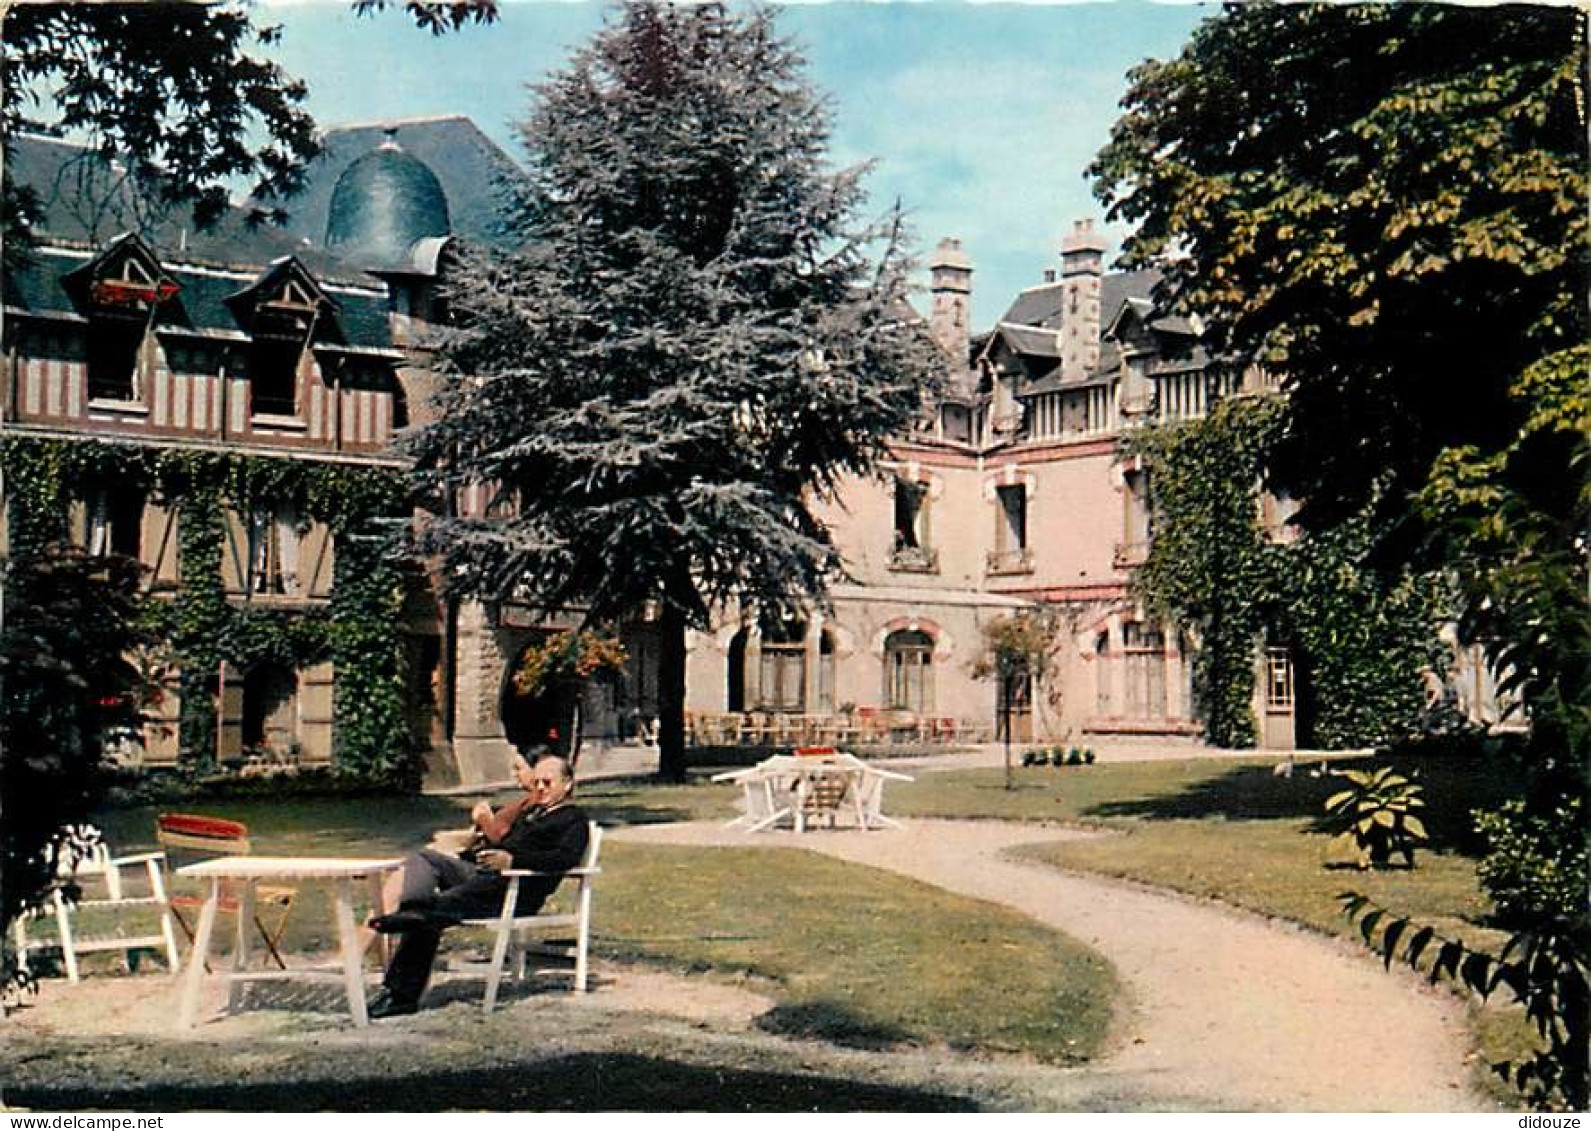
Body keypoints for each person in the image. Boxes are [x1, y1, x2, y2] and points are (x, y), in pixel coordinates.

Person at [365, 749, 590, 1018]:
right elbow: (503, 842)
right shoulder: (533, 813)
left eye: (547, 783)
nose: (540, 788)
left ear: (568, 785)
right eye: (537, 782)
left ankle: (400, 989)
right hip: (486, 878)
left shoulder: (573, 820)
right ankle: (414, 910)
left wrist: (513, 861)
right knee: (427, 858)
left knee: (430, 916)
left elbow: (563, 858)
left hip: (515, 891)